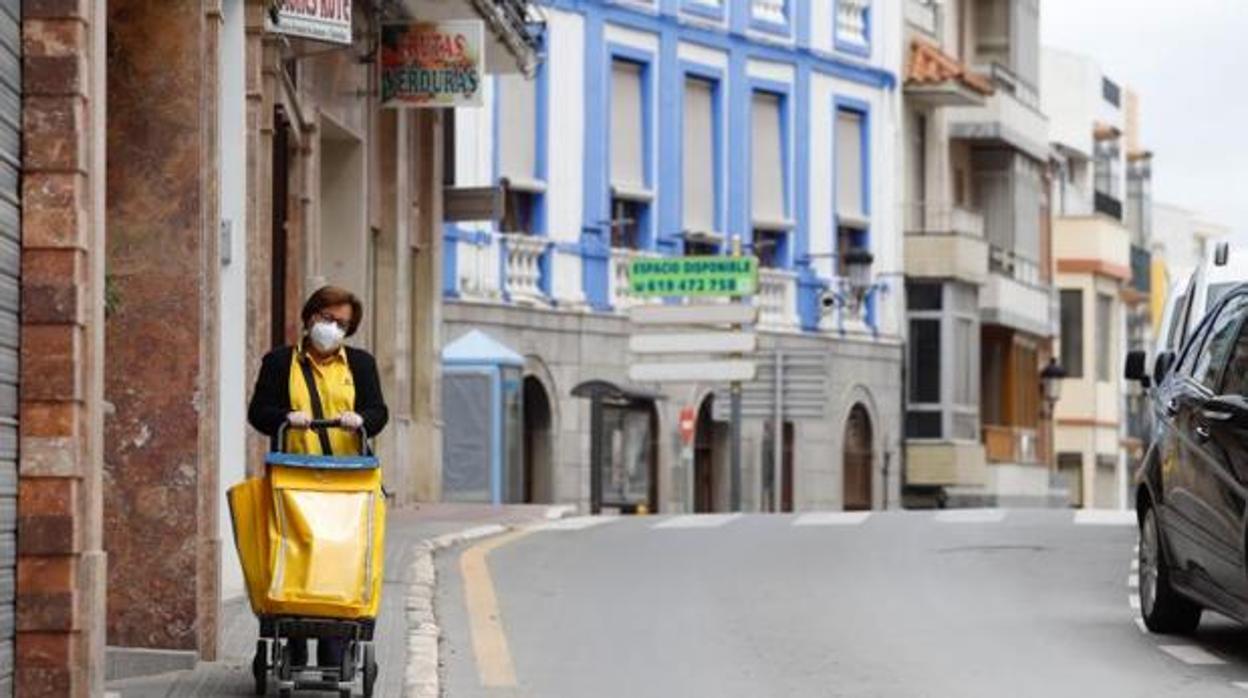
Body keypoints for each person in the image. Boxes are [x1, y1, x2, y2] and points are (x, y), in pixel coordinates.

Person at [247, 285, 389, 670]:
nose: (333, 328)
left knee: (336, 563)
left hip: (347, 485)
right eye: (328, 319)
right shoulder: (279, 363)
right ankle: (294, 643)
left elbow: (378, 412)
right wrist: (283, 416)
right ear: (311, 317)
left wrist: (361, 420)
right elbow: (258, 412)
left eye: (342, 323)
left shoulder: (360, 365)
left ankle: (333, 651)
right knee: (297, 559)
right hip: (294, 482)